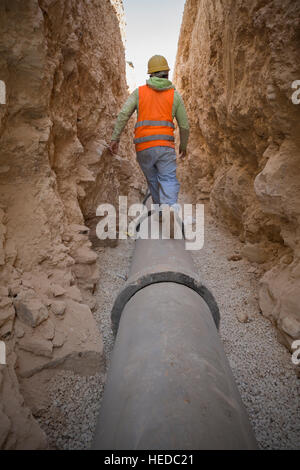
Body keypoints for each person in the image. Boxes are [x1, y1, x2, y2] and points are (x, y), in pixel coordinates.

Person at [109, 55, 190, 237]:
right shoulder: (174, 95)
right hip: (165, 146)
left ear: (151, 74)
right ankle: (169, 208)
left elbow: (123, 114)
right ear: (166, 74)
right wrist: (183, 146)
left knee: (153, 180)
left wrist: (115, 139)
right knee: (168, 178)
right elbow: (184, 125)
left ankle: (161, 212)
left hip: (143, 147)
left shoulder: (139, 92)